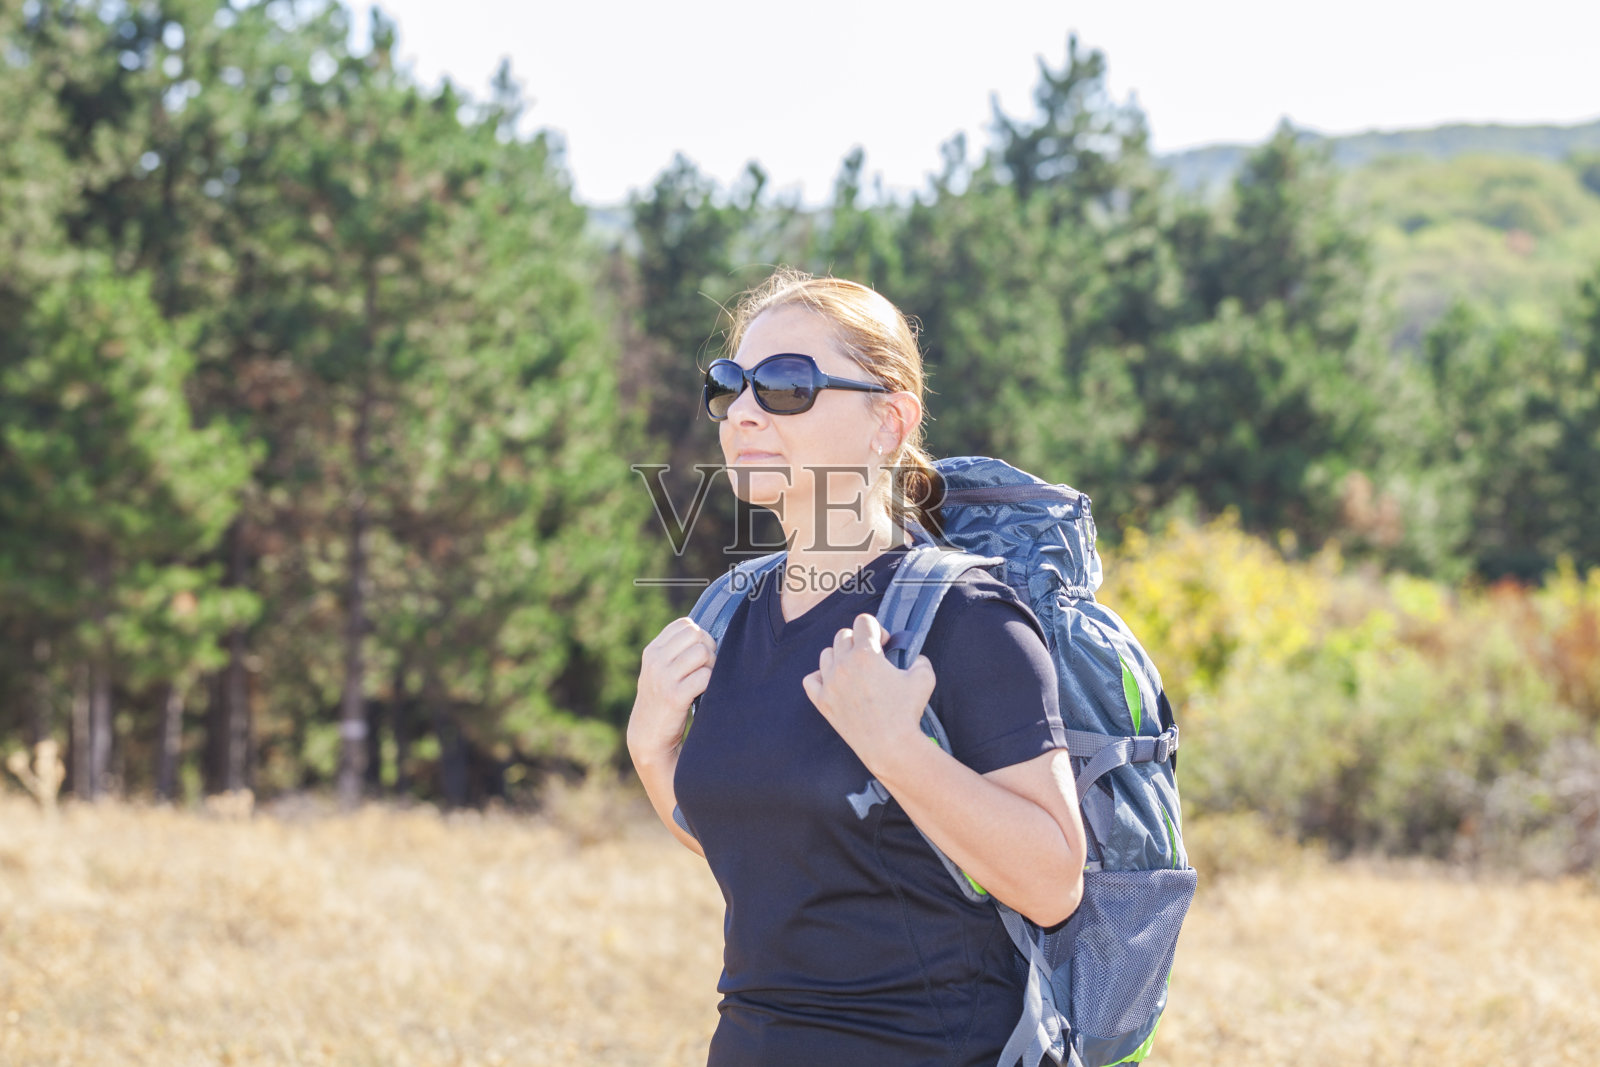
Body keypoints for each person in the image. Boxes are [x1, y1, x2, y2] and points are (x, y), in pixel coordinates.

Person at [628, 267, 1087, 1067]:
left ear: (889, 421)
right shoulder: (729, 614)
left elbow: (1053, 884)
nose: (743, 411)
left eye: (787, 385)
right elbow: (766, 844)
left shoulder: (965, 617)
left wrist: (897, 749)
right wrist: (650, 750)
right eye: (730, 384)